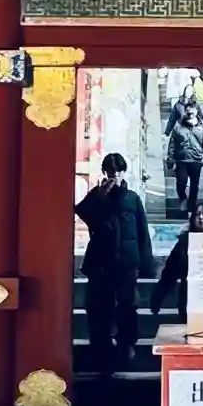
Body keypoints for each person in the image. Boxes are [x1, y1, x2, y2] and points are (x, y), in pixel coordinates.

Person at [75, 153, 155, 379]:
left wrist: (147, 263)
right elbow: (82, 211)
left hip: (127, 262)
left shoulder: (132, 198)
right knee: (99, 308)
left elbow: (142, 231)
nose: (115, 175)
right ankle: (101, 352)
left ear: (124, 172)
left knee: (128, 305)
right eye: (111, 171)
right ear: (105, 172)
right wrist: (100, 196)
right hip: (100, 262)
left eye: (118, 171)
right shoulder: (98, 196)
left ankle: (126, 345)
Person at [151, 201, 203, 324]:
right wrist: (157, 298)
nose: (201, 218)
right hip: (190, 297)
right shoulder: (184, 242)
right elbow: (170, 272)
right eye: (198, 215)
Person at [166, 99, 203, 213]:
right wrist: (170, 159)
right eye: (187, 111)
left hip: (196, 160)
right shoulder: (178, 127)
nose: (189, 113)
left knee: (194, 185)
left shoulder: (202, 128)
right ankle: (183, 198)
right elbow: (172, 144)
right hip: (181, 160)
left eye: (192, 111)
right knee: (181, 182)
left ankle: (192, 206)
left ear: (196, 111)